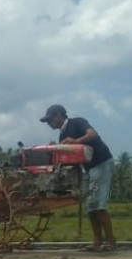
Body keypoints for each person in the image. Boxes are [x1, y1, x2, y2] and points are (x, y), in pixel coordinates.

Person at [40, 104, 116, 251]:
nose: (49, 124)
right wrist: (56, 151)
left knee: (97, 204)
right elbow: (69, 157)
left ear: (58, 116)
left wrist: (76, 141)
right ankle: (97, 241)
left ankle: (111, 241)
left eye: (50, 120)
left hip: (101, 162)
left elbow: (92, 134)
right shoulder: (62, 136)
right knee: (89, 206)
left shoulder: (77, 122)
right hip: (87, 168)